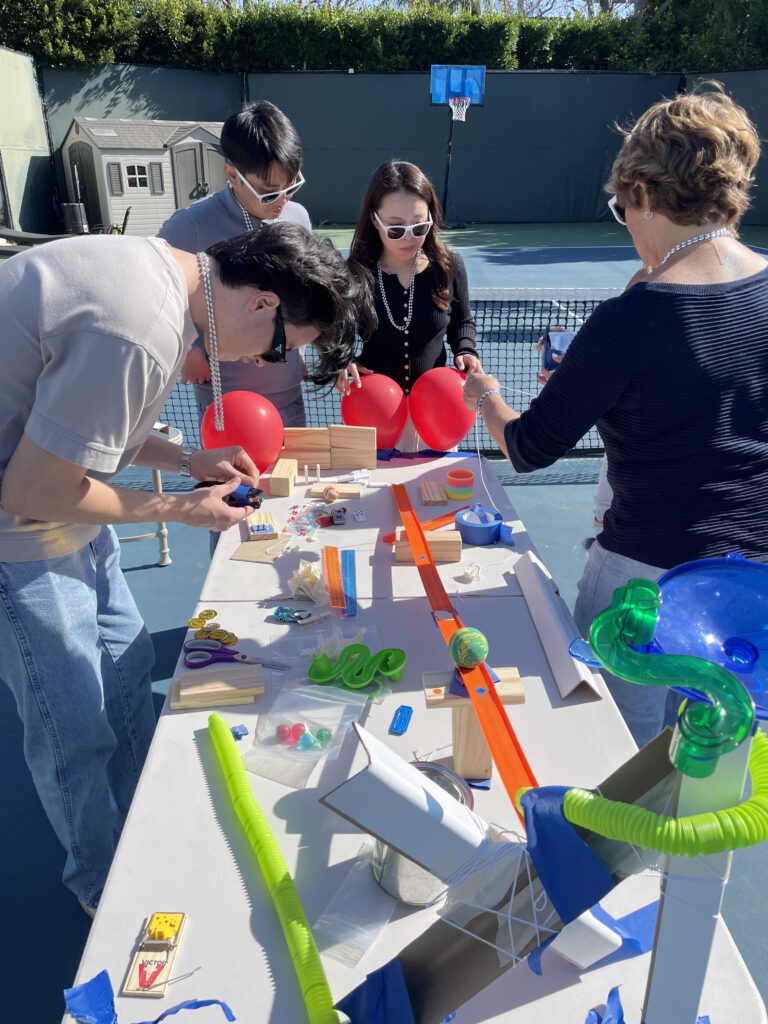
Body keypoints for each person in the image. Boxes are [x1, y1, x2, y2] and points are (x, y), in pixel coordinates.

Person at [0, 223, 371, 913]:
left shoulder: (162, 282)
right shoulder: (138, 329)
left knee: (129, 663)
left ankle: (149, 816)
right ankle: (105, 888)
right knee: (73, 729)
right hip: (19, 532)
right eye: (285, 346)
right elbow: (29, 490)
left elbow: (89, 422)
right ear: (263, 303)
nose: (271, 362)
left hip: (66, 501)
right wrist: (178, 507)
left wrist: (186, 462)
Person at [463, 85, 766, 747]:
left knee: (620, 761)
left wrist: (485, 395)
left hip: (643, 590)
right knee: (713, 780)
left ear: (648, 194)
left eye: (622, 205)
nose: (625, 222)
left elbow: (528, 447)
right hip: (750, 592)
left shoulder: (630, 319)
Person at [158, 101, 312, 431]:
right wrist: (188, 350)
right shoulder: (190, 226)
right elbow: (158, 301)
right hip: (224, 397)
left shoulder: (298, 218)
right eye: (270, 193)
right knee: (233, 482)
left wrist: (299, 350)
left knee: (292, 481)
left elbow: (303, 300)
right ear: (232, 174)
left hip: (286, 391)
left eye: (291, 186)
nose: (283, 201)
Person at [345, 160, 482, 450]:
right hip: (375, 413)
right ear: (374, 219)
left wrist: (466, 349)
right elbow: (338, 330)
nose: (409, 237)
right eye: (395, 229)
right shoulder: (356, 272)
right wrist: (342, 360)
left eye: (419, 226)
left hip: (439, 412)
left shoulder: (449, 265)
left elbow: (462, 321)